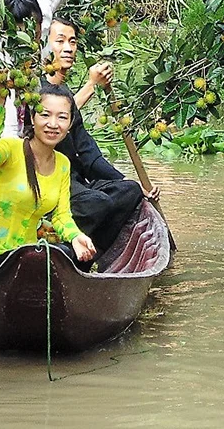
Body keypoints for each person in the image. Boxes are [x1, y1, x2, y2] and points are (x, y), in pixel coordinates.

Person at [41, 15, 160, 254]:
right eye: (60, 41)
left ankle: (95, 252)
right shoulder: (35, 91)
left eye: (73, 42)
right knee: (97, 202)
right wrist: (91, 86)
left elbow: (88, 154)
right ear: (44, 47)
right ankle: (61, 246)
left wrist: (123, 180)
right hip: (46, 180)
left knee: (129, 191)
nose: (68, 48)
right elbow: (54, 122)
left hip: (73, 181)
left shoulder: (64, 92)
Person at [0, 81, 96, 273]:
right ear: (33, 118)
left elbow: (61, 216)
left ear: (69, 124)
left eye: (62, 117)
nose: (53, 124)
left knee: (70, 254)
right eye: (45, 115)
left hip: (26, 257)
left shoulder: (62, 163)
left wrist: (76, 236)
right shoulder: (11, 149)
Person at [0, 0, 74, 205]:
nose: (27, 33)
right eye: (19, 28)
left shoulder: (39, 25)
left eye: (31, 27)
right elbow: (8, 123)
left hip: (19, 105)